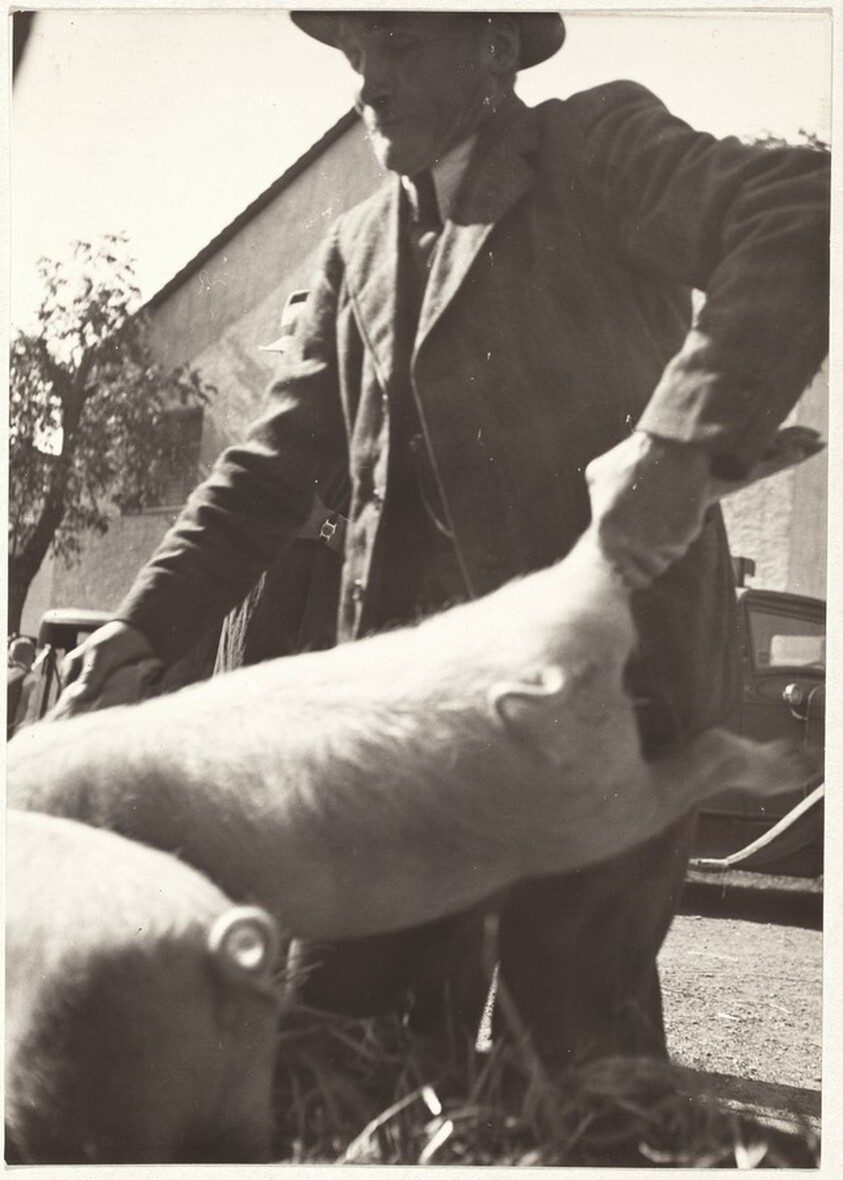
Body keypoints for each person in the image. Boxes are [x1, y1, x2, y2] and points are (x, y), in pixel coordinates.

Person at [59, 12, 829, 1066]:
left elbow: (800, 205)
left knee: (569, 1063)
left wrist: (679, 446)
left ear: (496, 52)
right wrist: (140, 627)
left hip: (602, 708)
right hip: (411, 732)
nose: (368, 86)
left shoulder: (597, 149)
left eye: (405, 49)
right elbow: (266, 473)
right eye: (356, 56)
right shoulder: (355, 250)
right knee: (323, 1045)